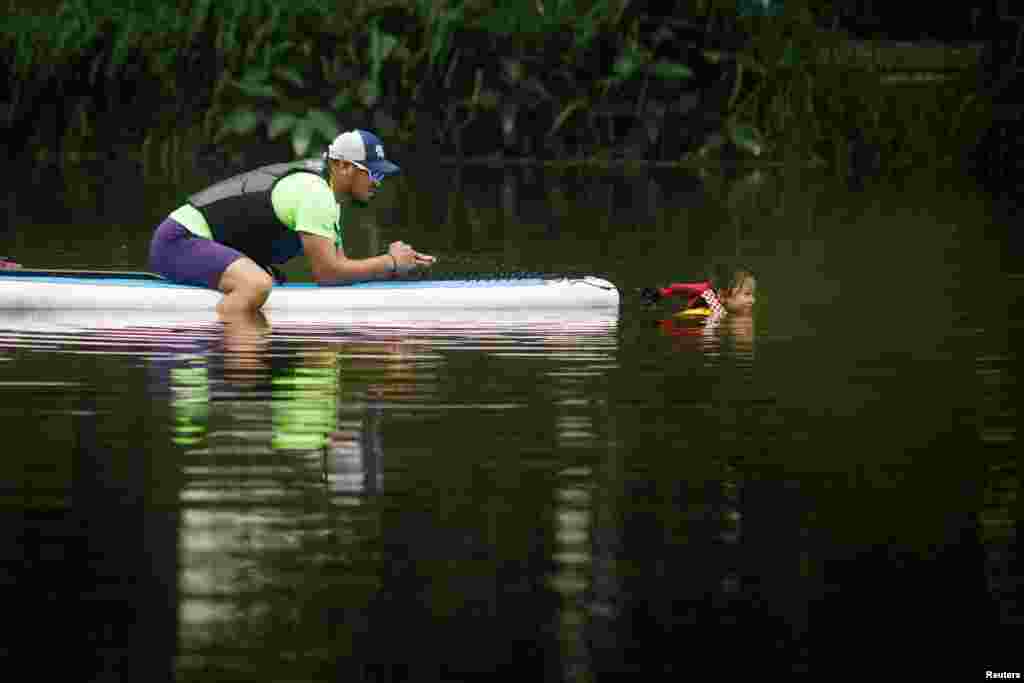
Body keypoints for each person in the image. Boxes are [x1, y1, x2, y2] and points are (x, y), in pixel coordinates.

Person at [148, 128, 435, 316]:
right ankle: (228, 367)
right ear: (344, 167)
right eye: (373, 174)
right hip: (179, 241)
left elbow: (341, 267)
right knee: (257, 285)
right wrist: (390, 262)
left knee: (264, 281)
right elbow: (328, 273)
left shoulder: (325, 192)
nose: (377, 183)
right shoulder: (315, 193)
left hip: (193, 244)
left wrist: (396, 267)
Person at [641, 268, 757, 320]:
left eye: (752, 295)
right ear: (722, 296)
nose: (753, 300)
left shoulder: (722, 311)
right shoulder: (713, 312)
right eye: (747, 294)